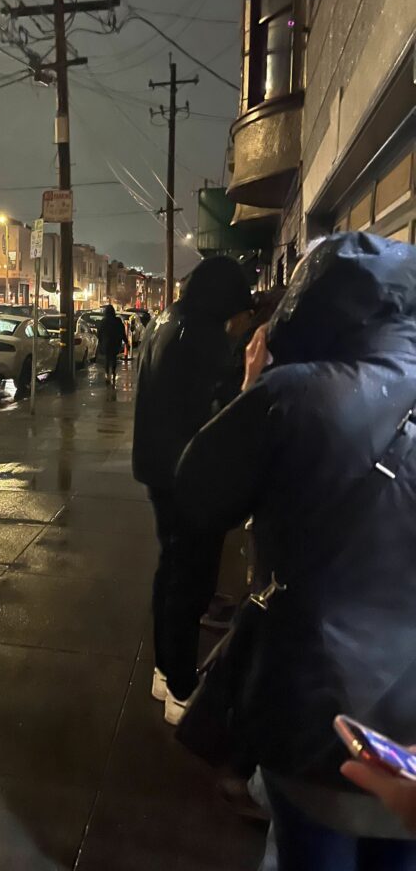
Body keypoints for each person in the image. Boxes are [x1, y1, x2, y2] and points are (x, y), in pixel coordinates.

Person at [175, 233, 416, 869]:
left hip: (317, 701)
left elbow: (199, 493)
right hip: (410, 726)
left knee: (309, 848)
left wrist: (254, 385)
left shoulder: (297, 393)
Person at [132, 255, 252, 723]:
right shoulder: (202, 337)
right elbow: (223, 416)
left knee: (173, 571)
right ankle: (181, 687)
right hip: (188, 476)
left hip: (161, 471)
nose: (240, 319)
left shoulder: (167, 323)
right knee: (191, 581)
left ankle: (166, 670)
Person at [97, 304, 128, 386]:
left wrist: (101, 341)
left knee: (107, 358)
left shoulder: (103, 321)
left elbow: (99, 332)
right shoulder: (117, 321)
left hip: (106, 343)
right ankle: (113, 373)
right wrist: (126, 342)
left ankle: (107, 374)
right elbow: (122, 332)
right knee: (113, 358)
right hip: (115, 342)